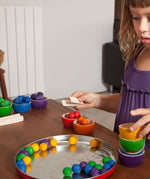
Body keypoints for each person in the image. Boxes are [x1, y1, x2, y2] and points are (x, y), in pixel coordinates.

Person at [71, 0, 150, 150]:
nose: (142, 28)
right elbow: (126, 100)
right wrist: (98, 100)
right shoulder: (134, 55)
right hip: (123, 149)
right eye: (135, 17)